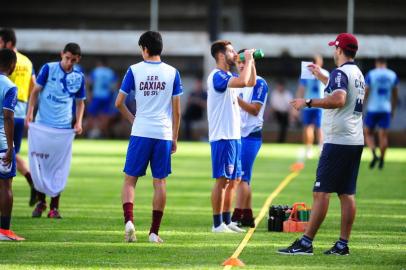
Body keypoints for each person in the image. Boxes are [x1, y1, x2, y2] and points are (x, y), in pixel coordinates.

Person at [279, 33, 365, 255]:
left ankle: (306, 242)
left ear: (339, 50)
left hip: (338, 140)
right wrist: (321, 77)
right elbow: (340, 90)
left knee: (321, 192)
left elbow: (338, 99)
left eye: (334, 48)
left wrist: (308, 102)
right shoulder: (356, 72)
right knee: (346, 193)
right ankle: (342, 245)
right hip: (354, 139)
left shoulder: (340, 72)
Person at [116, 31, 183, 243]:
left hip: (141, 131)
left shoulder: (134, 70)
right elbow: (177, 111)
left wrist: (133, 119)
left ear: (144, 48)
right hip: (163, 133)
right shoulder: (173, 72)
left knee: (130, 180)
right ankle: (154, 233)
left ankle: (129, 222)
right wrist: (175, 137)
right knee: (160, 182)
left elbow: (119, 103)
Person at [26, 43, 86, 219]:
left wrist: (79, 122)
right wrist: (30, 114)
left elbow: (80, 102)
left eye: (73, 60)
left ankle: (54, 207)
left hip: (63, 128)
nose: (69, 63)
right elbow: (35, 92)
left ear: (78, 59)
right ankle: (40, 202)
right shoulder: (48, 69)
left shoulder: (78, 77)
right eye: (67, 58)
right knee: (40, 164)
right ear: (62, 55)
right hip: (43, 124)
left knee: (58, 167)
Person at [207, 40, 256, 233]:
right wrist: (248, 59)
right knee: (222, 180)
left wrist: (250, 62)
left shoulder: (228, 75)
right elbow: (244, 81)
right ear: (220, 55)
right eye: (231, 51)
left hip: (233, 136)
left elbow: (250, 82)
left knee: (232, 180)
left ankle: (227, 221)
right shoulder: (217, 76)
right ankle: (217, 224)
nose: (235, 53)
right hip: (223, 136)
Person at [231, 49, 268, 228]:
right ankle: (247, 216)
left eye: (245, 61)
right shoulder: (238, 82)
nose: (241, 65)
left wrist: (235, 99)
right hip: (238, 134)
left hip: (250, 135)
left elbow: (254, 109)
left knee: (242, 178)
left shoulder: (259, 83)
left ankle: (236, 216)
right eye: (239, 62)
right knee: (244, 177)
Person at [0, 28, 37, 206]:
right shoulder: (28, 61)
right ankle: (31, 181)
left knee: (8, 152)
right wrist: (30, 110)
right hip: (21, 111)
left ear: (8, 43)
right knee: (12, 152)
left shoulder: (5, 60)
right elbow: (34, 87)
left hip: (6, 112)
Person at [0, 48, 24, 241]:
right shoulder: (9, 86)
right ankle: (5, 231)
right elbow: (8, 117)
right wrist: (10, 147)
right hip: (1, 143)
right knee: (5, 186)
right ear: (12, 65)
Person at [364, 58, 399, 169]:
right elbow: (395, 95)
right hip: (386, 109)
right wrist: (393, 109)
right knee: (383, 136)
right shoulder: (392, 75)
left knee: (368, 133)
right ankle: (382, 160)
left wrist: (362, 106)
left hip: (373, 109)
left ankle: (374, 154)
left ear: (376, 63)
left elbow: (366, 92)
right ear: (385, 63)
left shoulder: (371, 74)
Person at [296, 55, 329, 158]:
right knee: (319, 127)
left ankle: (309, 149)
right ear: (321, 62)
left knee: (308, 127)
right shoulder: (325, 72)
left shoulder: (306, 72)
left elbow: (301, 89)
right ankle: (320, 148)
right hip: (320, 103)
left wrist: (299, 102)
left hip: (308, 103)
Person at [86, 58, 118, 138]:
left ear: (99, 63)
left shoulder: (96, 71)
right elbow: (115, 86)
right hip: (107, 97)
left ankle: (90, 133)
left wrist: (89, 94)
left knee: (91, 115)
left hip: (96, 96)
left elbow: (89, 82)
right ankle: (104, 135)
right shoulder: (110, 72)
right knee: (105, 117)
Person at [269, 79, 292, 143]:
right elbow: (272, 107)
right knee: (282, 123)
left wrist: (291, 116)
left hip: (285, 114)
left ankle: (281, 141)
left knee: (284, 124)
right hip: (276, 113)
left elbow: (289, 107)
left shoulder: (288, 94)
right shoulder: (274, 94)